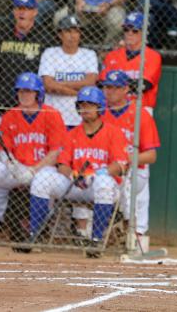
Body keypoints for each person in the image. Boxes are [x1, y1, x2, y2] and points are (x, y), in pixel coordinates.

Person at [29, 86, 128, 255]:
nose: (85, 109)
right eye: (82, 105)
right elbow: (62, 164)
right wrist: (72, 174)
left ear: (100, 107)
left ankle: (95, 242)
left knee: (103, 183)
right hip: (75, 184)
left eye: (90, 105)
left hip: (101, 186)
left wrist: (97, 174)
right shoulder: (72, 133)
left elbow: (120, 164)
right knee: (43, 177)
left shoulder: (113, 132)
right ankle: (33, 237)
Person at [0, 73, 65, 236]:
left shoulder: (52, 114)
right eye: (21, 91)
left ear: (38, 93)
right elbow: (4, 150)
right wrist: (12, 166)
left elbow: (55, 152)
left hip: (44, 169)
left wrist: (33, 170)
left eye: (29, 91)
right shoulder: (10, 115)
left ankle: (40, 228)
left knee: (44, 181)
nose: (24, 95)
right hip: (17, 168)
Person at [101, 70, 160, 237]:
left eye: (115, 87)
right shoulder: (99, 112)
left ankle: (131, 232)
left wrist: (124, 160)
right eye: (107, 87)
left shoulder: (140, 114)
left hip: (134, 169)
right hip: (105, 168)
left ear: (126, 89)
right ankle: (97, 232)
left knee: (127, 183)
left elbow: (151, 156)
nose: (110, 91)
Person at [0, 0, 54, 110]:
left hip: (33, 105)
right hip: (2, 103)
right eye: (19, 8)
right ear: (14, 11)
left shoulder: (45, 38)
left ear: (35, 12)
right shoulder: (1, 36)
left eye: (27, 8)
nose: (22, 12)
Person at [38, 15, 98, 128]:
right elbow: (48, 85)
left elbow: (90, 83)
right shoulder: (50, 53)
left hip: (80, 119)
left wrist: (59, 84)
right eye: (68, 31)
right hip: (53, 117)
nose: (72, 36)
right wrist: (77, 93)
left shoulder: (89, 54)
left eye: (76, 31)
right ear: (60, 34)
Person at [100, 12, 163, 114]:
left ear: (145, 32)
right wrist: (130, 84)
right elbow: (102, 83)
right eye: (126, 29)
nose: (129, 33)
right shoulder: (111, 56)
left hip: (141, 108)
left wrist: (115, 84)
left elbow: (144, 85)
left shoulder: (153, 56)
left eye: (135, 30)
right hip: (114, 107)